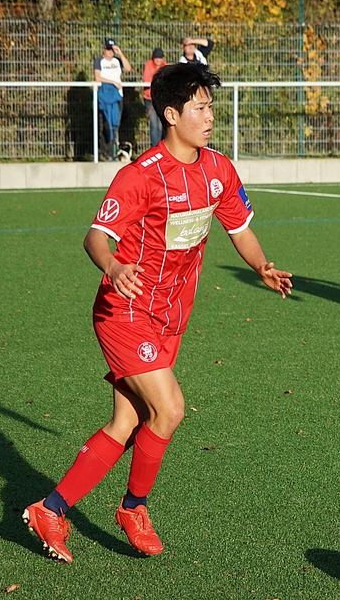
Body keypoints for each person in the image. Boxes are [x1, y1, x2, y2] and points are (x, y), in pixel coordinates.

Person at [22, 63, 293, 564]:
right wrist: (112, 265)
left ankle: (50, 509)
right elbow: (95, 237)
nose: (210, 117)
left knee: (128, 421)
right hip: (124, 311)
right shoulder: (139, 176)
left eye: (211, 107)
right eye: (200, 108)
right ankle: (133, 507)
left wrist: (262, 266)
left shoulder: (218, 171)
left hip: (170, 316)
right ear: (170, 114)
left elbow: (239, 228)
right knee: (169, 410)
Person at [93, 38, 132, 161]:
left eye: (112, 50)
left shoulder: (117, 61)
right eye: (108, 49)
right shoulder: (99, 60)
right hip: (105, 98)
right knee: (105, 124)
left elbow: (128, 68)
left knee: (115, 125)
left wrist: (120, 53)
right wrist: (113, 82)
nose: (110, 52)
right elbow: (97, 77)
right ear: (104, 49)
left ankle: (113, 152)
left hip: (117, 98)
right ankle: (104, 152)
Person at [142, 47, 167, 149]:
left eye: (160, 58)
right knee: (154, 125)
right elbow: (146, 79)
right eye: (156, 57)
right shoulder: (148, 65)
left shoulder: (164, 66)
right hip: (150, 99)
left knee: (160, 125)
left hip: (160, 99)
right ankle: (154, 147)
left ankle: (160, 147)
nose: (158, 60)